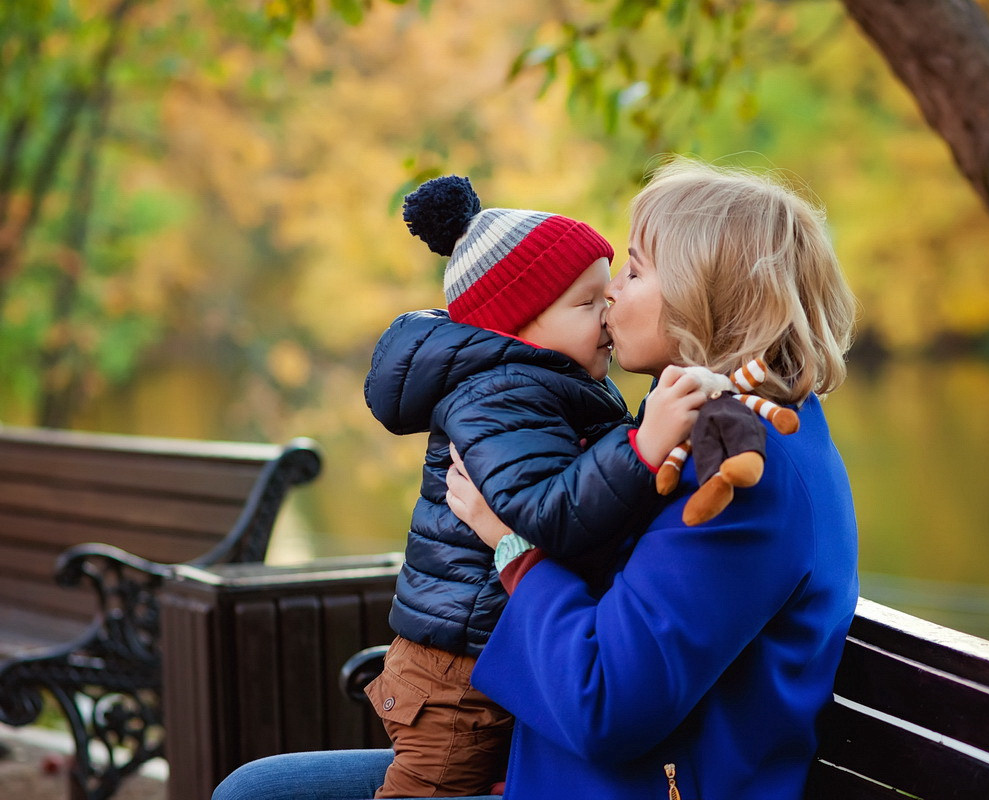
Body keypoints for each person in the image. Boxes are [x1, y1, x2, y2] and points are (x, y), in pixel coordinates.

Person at [211, 157, 858, 800]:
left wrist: (510, 545)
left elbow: (604, 702)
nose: (612, 294)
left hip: (604, 781)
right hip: (542, 761)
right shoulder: (718, 423)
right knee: (256, 790)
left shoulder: (743, 473)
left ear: (703, 292)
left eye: (633, 271)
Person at [357, 176, 704, 798]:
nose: (610, 311)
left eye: (611, 292)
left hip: (494, 649)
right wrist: (643, 448)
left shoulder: (550, 381)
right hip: (456, 674)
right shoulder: (502, 394)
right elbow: (547, 513)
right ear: (519, 324)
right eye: (587, 301)